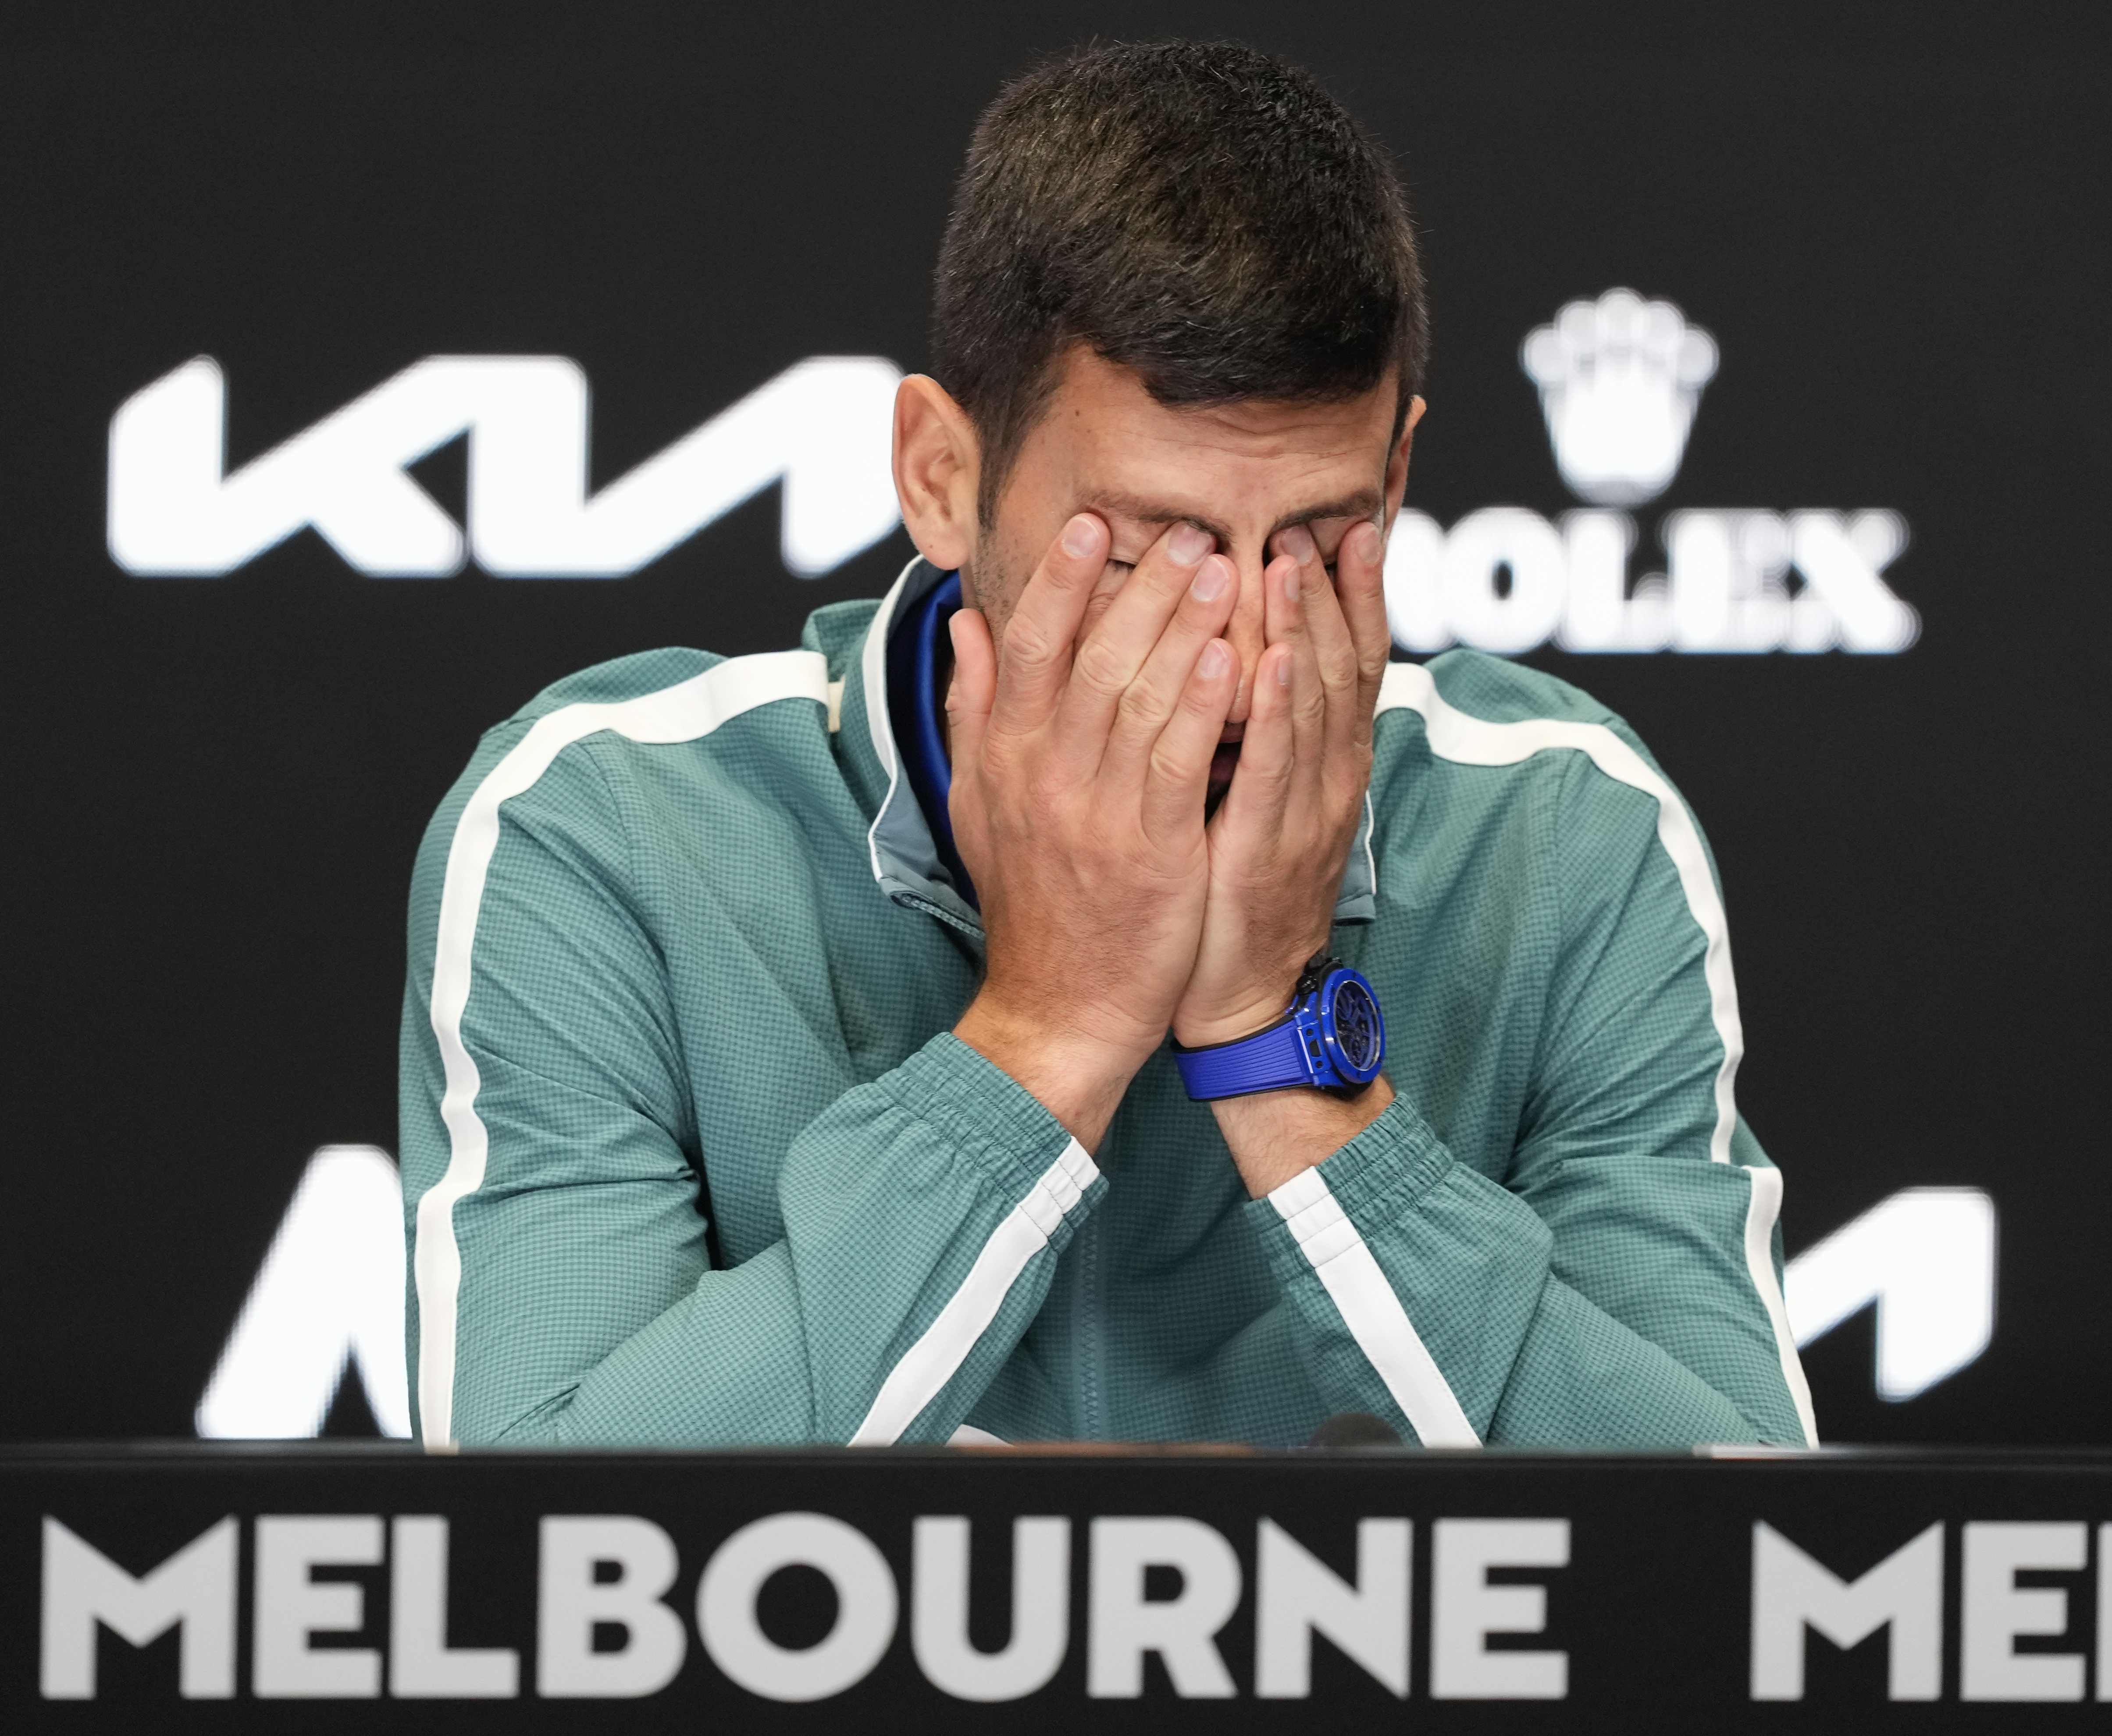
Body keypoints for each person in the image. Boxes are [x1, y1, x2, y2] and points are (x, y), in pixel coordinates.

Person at [400, 39, 1817, 1451]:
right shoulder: (603, 826)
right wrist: (1049, 1029)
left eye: (1322, 544)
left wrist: (1279, 1041)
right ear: (942, 478)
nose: (1248, 646)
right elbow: (541, 1543)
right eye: (1150, 553)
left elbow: (1731, 1550)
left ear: (1397, 475)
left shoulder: (1559, 830)